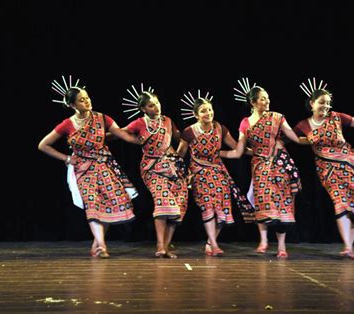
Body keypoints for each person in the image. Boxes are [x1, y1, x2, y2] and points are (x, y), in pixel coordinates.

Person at [38, 84, 141, 258]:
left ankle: (96, 244)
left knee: (109, 203)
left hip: (104, 166)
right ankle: (101, 244)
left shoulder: (102, 118)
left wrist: (144, 139)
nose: (87, 101)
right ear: (72, 105)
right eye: (81, 100)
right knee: (92, 203)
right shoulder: (67, 124)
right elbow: (43, 145)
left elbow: (122, 134)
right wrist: (67, 158)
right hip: (83, 169)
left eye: (87, 97)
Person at [221, 85, 308, 258]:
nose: (267, 101)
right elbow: (239, 151)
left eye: (267, 98)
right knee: (263, 202)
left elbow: (295, 138)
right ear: (253, 102)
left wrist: (319, 139)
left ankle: (282, 247)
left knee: (282, 205)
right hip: (260, 166)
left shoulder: (277, 117)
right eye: (263, 98)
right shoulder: (245, 123)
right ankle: (263, 241)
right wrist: (218, 153)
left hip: (279, 166)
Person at [293, 86, 354, 260]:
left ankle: (348, 247)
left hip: (351, 165)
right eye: (322, 102)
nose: (326, 106)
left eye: (328, 103)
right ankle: (347, 246)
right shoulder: (304, 125)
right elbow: (288, 138)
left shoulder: (337, 117)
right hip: (327, 169)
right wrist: (305, 140)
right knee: (340, 201)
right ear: (312, 103)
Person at [176, 97, 254, 256]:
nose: (208, 113)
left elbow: (236, 148)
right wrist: (179, 175)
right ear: (195, 114)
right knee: (208, 205)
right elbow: (180, 155)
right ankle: (214, 244)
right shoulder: (189, 132)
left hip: (219, 173)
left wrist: (256, 149)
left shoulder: (220, 128)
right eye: (203, 111)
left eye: (210, 109)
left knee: (221, 209)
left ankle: (210, 243)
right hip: (199, 172)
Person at [122, 91, 188, 258]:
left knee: (177, 205)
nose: (156, 107)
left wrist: (178, 156)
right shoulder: (139, 123)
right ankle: (159, 246)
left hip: (172, 167)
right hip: (152, 168)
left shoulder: (167, 121)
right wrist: (102, 138)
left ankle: (166, 247)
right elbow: (119, 133)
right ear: (143, 108)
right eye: (151, 105)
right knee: (163, 201)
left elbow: (181, 138)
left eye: (157, 103)